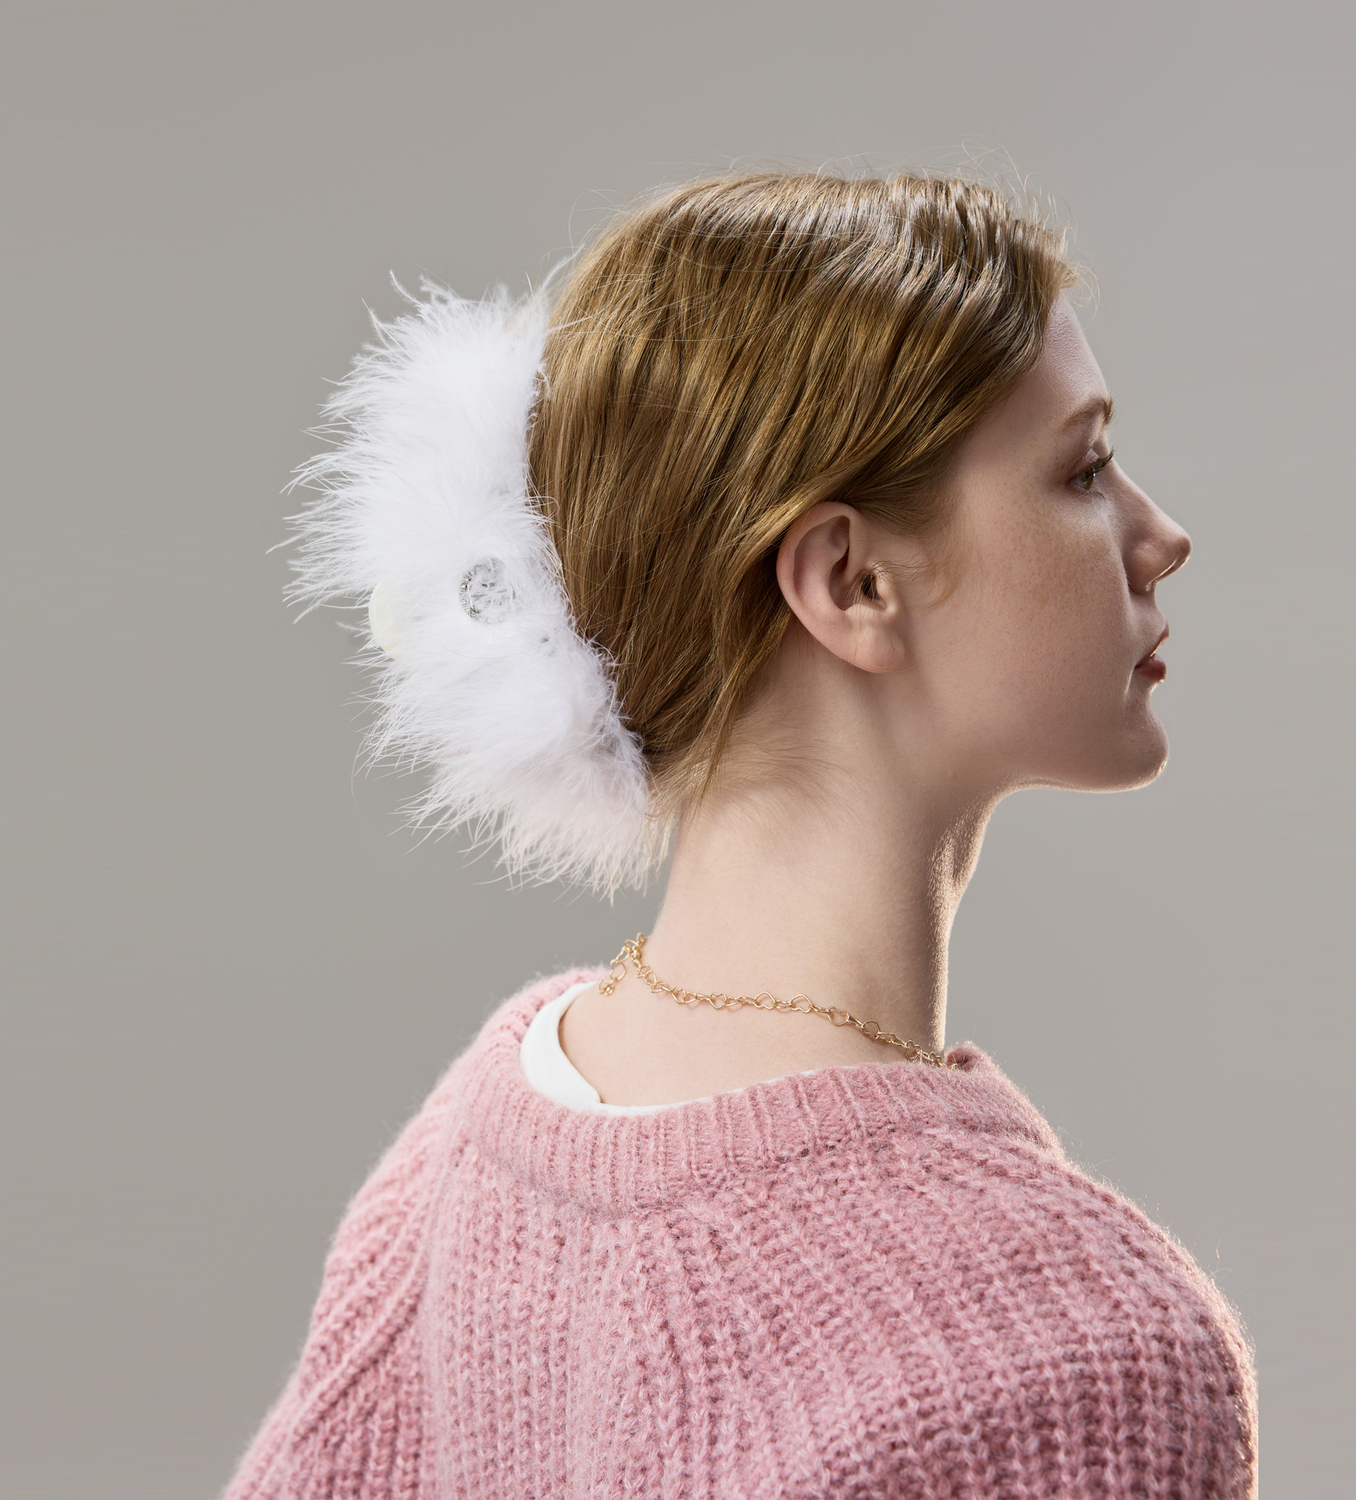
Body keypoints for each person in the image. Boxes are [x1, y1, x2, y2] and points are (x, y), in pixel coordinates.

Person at [225, 171, 1256, 1498]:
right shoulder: (1078, 1359)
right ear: (852, 582)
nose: (1161, 537)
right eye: (1085, 469)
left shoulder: (471, 1149)